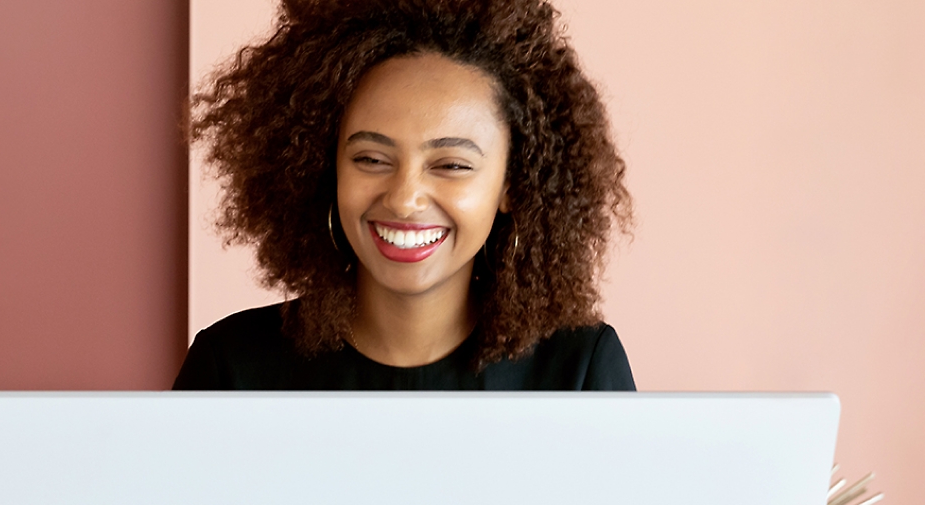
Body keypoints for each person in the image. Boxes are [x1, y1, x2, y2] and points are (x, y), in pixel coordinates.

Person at [175, 0, 634, 390]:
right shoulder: (231, 368)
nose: (404, 198)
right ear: (324, 168)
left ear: (512, 185)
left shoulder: (578, 369)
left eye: (451, 165)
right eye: (371, 159)